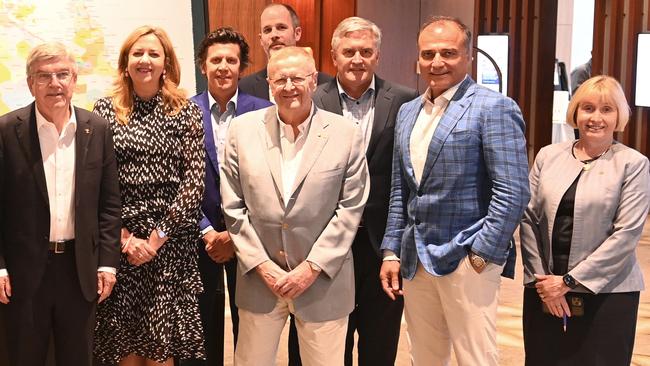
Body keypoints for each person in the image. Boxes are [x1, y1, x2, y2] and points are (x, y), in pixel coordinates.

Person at [379, 16, 530, 366]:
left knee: (475, 357)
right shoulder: (408, 112)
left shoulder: (494, 108)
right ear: (417, 59)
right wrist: (391, 250)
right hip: (416, 258)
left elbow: (513, 192)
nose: (436, 62)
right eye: (428, 53)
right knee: (425, 356)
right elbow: (401, 190)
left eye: (448, 52)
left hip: (468, 257)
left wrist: (482, 254)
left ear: (468, 57)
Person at [220, 46, 369, 366]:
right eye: (280, 79)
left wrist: (311, 267)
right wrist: (262, 265)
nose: (289, 87)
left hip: (323, 283)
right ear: (269, 84)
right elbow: (232, 206)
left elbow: (351, 208)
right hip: (259, 281)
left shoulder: (346, 133)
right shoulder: (242, 130)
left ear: (314, 80)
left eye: (297, 78)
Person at [0, 42, 121, 366]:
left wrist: (107, 263)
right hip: (24, 273)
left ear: (74, 80)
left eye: (62, 74)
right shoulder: (6, 131)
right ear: (30, 84)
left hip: (78, 271)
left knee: (77, 358)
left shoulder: (96, 128)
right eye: (44, 76)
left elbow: (109, 205)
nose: (55, 83)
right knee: (24, 357)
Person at [92, 26, 206, 365]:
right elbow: (95, 184)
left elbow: (194, 183)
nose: (145, 60)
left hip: (168, 246)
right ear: (125, 62)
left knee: (160, 350)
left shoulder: (185, 111)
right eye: (137, 53)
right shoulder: (104, 111)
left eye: (153, 54)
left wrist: (155, 240)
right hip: (120, 243)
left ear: (166, 63)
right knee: (125, 348)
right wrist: (126, 241)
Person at [520, 75, 649, 365]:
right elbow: (528, 219)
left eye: (607, 109)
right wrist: (543, 282)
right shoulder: (548, 156)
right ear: (575, 112)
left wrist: (567, 282)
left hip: (608, 294)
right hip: (544, 290)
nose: (596, 118)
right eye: (587, 108)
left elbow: (626, 233)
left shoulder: (633, 164)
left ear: (619, 116)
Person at [312, 16, 417, 366]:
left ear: (378, 56)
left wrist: (396, 246)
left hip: (381, 244)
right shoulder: (312, 101)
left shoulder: (405, 101)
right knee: (331, 339)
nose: (357, 59)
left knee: (380, 341)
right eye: (349, 51)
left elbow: (408, 173)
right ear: (334, 56)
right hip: (325, 242)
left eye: (366, 51)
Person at [183, 27, 271, 366]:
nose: (223, 67)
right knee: (200, 330)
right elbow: (178, 182)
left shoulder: (264, 112)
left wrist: (235, 234)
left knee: (251, 328)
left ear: (242, 66)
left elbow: (270, 180)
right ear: (203, 66)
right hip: (197, 237)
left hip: (250, 237)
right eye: (215, 60)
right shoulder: (183, 112)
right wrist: (207, 230)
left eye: (231, 60)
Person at [239, 3, 332, 101]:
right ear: (261, 39)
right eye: (267, 30)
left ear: (297, 33)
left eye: (281, 27)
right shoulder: (244, 88)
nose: (274, 35)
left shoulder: (327, 85)